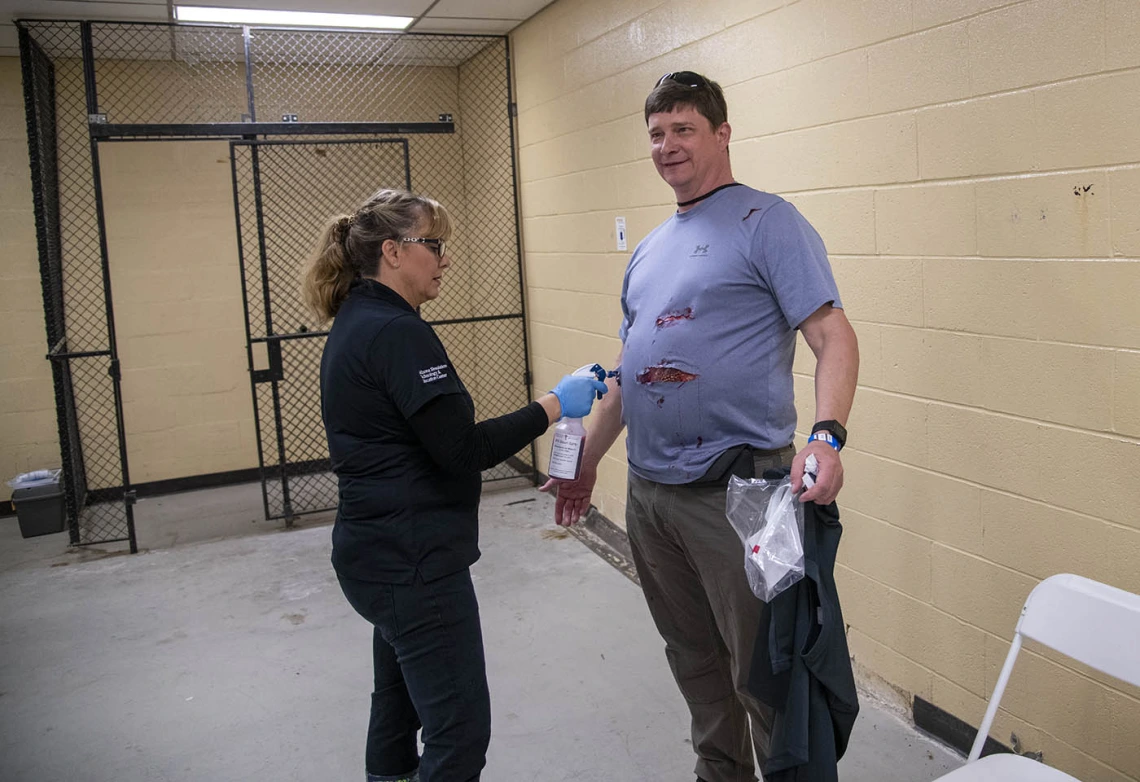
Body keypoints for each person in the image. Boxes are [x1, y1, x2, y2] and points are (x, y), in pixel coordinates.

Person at [542, 72, 860, 782]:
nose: (667, 146)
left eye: (683, 129)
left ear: (721, 133)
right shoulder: (651, 248)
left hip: (740, 494)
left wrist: (827, 434)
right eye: (656, 134)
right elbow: (627, 372)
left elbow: (833, 336)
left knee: (766, 671)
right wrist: (589, 459)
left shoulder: (768, 223)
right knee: (692, 659)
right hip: (652, 499)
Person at [301, 188, 607, 782]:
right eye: (433, 245)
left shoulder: (358, 320)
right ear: (392, 252)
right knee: (460, 734)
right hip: (414, 563)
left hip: (375, 555)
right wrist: (553, 405)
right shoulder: (396, 333)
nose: (444, 259)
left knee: (396, 709)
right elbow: (462, 451)